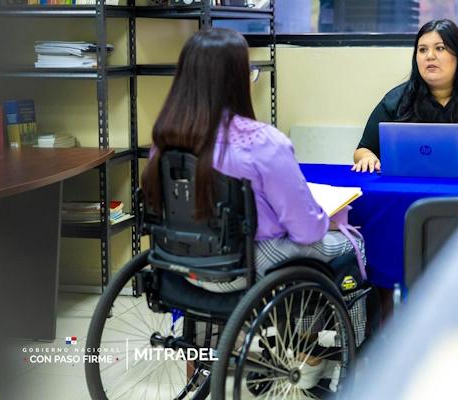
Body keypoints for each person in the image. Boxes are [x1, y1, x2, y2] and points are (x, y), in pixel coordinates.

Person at [140, 28, 366, 389]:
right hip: (246, 263)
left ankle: (219, 359)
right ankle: (327, 358)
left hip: (183, 264)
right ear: (236, 79)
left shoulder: (165, 141)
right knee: (350, 245)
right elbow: (307, 230)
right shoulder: (263, 143)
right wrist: (328, 219)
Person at [353, 19, 458, 173]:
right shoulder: (396, 100)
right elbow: (363, 150)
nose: (429, 56)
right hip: (409, 186)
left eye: (440, 48)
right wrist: (367, 157)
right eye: (422, 50)